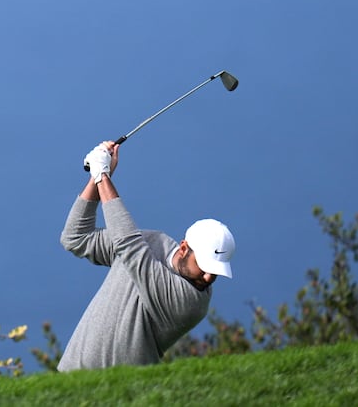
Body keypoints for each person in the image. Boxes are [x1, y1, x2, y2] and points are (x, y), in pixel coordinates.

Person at [56, 140, 235, 371]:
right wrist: (96, 178)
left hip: (119, 391)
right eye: (204, 266)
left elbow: (130, 246)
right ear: (183, 248)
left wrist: (103, 175)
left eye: (216, 272)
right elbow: (75, 237)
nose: (209, 278)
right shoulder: (153, 242)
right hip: (69, 373)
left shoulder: (191, 302)